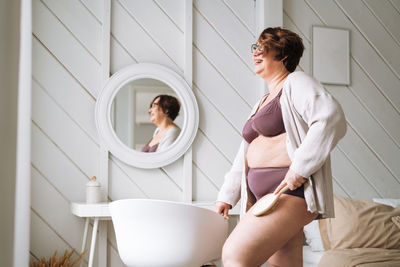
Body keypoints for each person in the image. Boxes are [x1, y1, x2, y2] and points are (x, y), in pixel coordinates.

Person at [215, 27, 347, 266]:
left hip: (290, 193)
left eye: (263, 47)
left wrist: (299, 170)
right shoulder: (261, 102)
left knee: (235, 254)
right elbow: (243, 154)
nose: (255, 52)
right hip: (264, 197)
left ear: (284, 54)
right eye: (254, 47)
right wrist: (227, 195)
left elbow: (331, 117)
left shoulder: (296, 82)